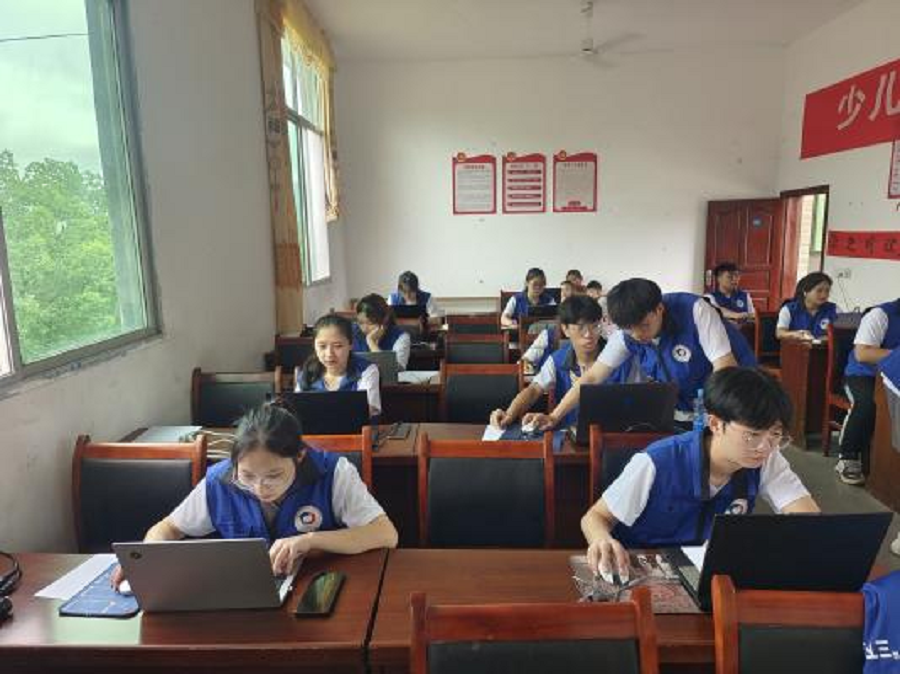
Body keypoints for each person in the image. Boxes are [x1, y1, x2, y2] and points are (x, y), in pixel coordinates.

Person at [113, 402, 398, 586]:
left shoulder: (334, 473)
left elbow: (385, 534)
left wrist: (310, 540)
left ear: (300, 456)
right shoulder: (220, 480)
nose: (260, 488)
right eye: (247, 476)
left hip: (319, 589)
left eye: (274, 475)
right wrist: (147, 560)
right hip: (244, 595)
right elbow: (169, 528)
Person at [581, 367, 819, 581]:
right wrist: (602, 540)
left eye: (775, 434)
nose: (764, 447)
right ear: (715, 424)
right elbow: (595, 517)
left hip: (713, 574)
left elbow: (809, 522)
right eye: (752, 435)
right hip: (643, 571)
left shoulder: (767, 459)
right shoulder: (656, 461)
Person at [523, 278, 755, 430]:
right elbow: (592, 377)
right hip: (684, 408)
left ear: (659, 309)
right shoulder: (627, 334)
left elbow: (725, 369)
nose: (638, 336)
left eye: (644, 326)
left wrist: (718, 418)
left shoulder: (695, 311)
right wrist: (554, 416)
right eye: (629, 329)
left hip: (733, 398)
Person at [492, 296, 619, 429]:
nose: (589, 334)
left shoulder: (617, 357)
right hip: (567, 435)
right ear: (565, 329)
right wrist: (510, 414)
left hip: (611, 434)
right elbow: (534, 390)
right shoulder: (557, 359)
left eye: (595, 326)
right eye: (581, 327)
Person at [835, 299, 900, 485]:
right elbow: (862, 354)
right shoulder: (880, 315)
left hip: (894, 376)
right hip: (863, 375)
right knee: (867, 404)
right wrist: (896, 356)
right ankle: (848, 457)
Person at [295, 314, 381, 417]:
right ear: (314, 346)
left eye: (337, 346)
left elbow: (369, 411)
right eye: (322, 346)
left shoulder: (367, 371)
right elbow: (296, 412)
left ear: (350, 345)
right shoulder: (307, 373)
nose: (329, 354)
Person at [353, 293, 411, 370]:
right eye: (360, 322)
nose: (364, 328)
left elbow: (395, 370)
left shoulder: (401, 337)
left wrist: (371, 342)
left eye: (370, 323)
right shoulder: (352, 332)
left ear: (385, 319)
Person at [776, 272, 838, 340]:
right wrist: (795, 334)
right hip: (797, 345)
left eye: (827, 291)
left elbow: (842, 332)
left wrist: (829, 338)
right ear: (805, 291)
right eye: (819, 291)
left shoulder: (834, 309)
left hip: (824, 346)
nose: (824, 295)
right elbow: (780, 333)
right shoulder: (789, 309)